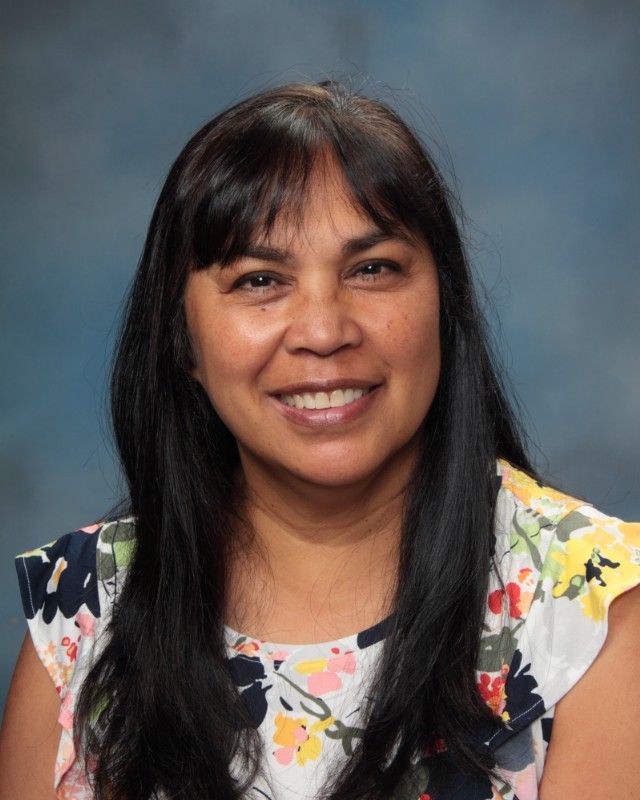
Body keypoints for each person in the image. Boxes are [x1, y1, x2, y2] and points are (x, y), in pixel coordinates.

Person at [0, 81, 638, 800]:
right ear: (184, 339)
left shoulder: (597, 610)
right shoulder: (84, 613)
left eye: (373, 269)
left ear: (444, 304)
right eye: (260, 279)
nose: (324, 331)